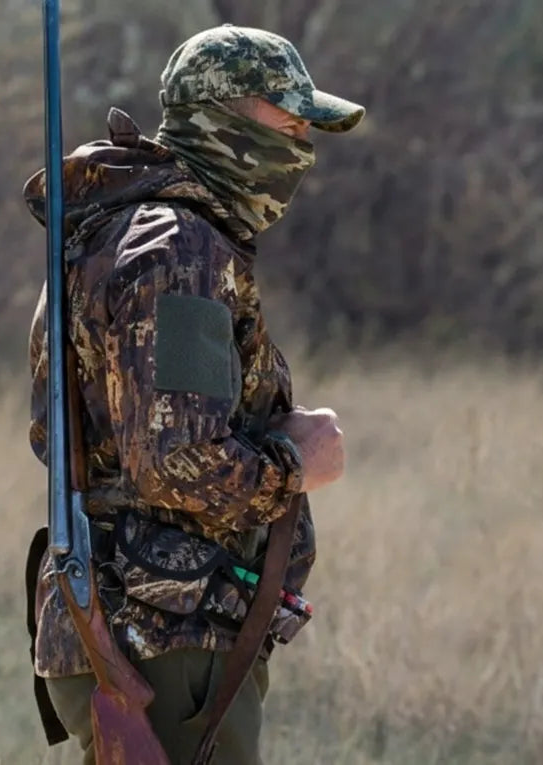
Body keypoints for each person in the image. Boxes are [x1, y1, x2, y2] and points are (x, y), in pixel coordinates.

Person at [21, 23, 362, 764]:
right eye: (288, 116)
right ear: (226, 113)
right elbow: (179, 460)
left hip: (142, 629)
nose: (303, 138)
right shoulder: (179, 248)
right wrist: (295, 463)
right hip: (163, 640)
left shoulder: (120, 230)